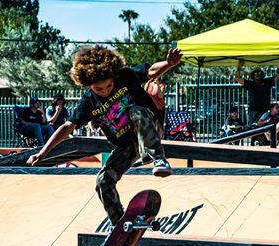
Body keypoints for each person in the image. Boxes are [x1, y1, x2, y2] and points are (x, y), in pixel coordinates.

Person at [27, 45, 180, 232]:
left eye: (109, 85)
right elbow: (67, 127)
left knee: (135, 111)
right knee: (103, 181)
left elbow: (149, 72)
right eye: (99, 89)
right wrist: (43, 153)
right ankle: (119, 226)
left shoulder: (124, 76)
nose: (106, 91)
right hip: (127, 145)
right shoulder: (88, 103)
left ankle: (158, 158)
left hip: (150, 128)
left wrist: (169, 64)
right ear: (88, 85)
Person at [235, 60, 279, 125]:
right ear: (253, 75)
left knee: (262, 128)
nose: (257, 75)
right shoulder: (250, 83)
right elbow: (237, 78)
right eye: (255, 73)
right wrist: (239, 67)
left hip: (263, 110)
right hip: (253, 110)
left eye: (259, 73)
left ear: (262, 74)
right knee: (252, 128)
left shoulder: (267, 82)